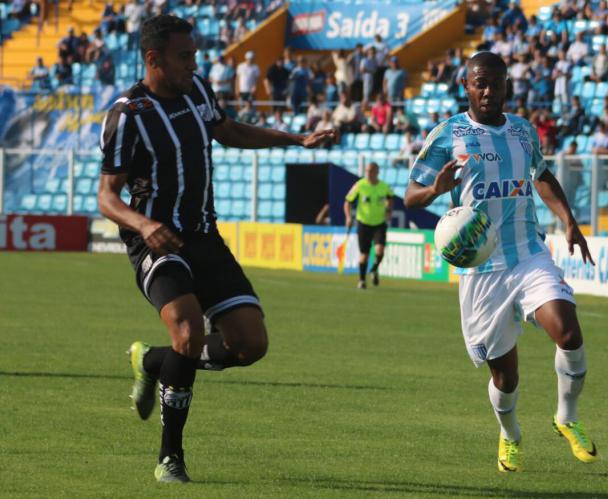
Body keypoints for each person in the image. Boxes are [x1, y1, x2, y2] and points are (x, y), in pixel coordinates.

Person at [97, 15, 336, 483]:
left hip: (204, 236)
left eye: (194, 55)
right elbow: (106, 197)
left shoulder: (197, 91)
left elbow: (228, 131)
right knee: (187, 332)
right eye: (185, 56)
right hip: (157, 241)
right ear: (153, 59)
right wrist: (144, 224)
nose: (195, 63)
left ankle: (151, 360)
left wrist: (295, 138)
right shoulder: (128, 115)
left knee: (250, 344)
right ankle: (170, 456)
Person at [403, 51, 598, 473]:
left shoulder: (523, 132)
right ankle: (510, 436)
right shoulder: (448, 134)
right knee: (505, 379)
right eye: (480, 83)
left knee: (568, 331)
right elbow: (410, 196)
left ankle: (567, 416)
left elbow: (542, 176)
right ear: (467, 86)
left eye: (496, 82)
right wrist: (436, 190)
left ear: (507, 84)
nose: (488, 90)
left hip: (528, 253)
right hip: (481, 272)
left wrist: (569, 221)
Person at [344, 162, 394, 289]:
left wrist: (388, 211)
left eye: (371, 171)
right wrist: (349, 217)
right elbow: (347, 201)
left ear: (377, 172)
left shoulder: (384, 186)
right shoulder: (360, 185)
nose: (368, 173)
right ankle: (361, 280)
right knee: (364, 255)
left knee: (380, 250)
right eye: (367, 171)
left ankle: (374, 269)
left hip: (379, 223)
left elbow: (390, 198)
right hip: (363, 223)